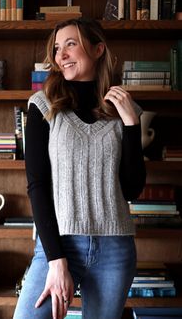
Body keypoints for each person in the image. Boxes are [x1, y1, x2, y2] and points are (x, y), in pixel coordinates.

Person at [13, 17, 146, 319]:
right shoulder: (42, 105)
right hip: (58, 244)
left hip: (114, 250)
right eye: (57, 48)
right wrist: (56, 260)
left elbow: (132, 189)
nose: (61, 55)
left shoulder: (125, 111)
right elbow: (37, 185)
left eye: (70, 44)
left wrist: (131, 126)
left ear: (98, 49)